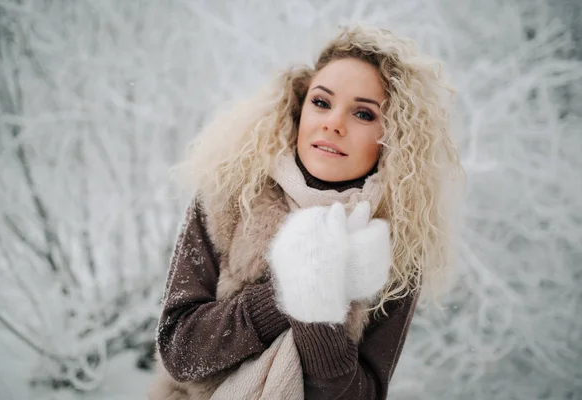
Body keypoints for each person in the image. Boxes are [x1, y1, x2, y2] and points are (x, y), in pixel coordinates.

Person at [148, 24, 462, 400]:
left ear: (392, 136)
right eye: (321, 102)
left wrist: (318, 313)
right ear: (299, 109)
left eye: (363, 114)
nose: (333, 123)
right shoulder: (229, 196)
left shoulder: (397, 245)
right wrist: (285, 291)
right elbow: (180, 354)